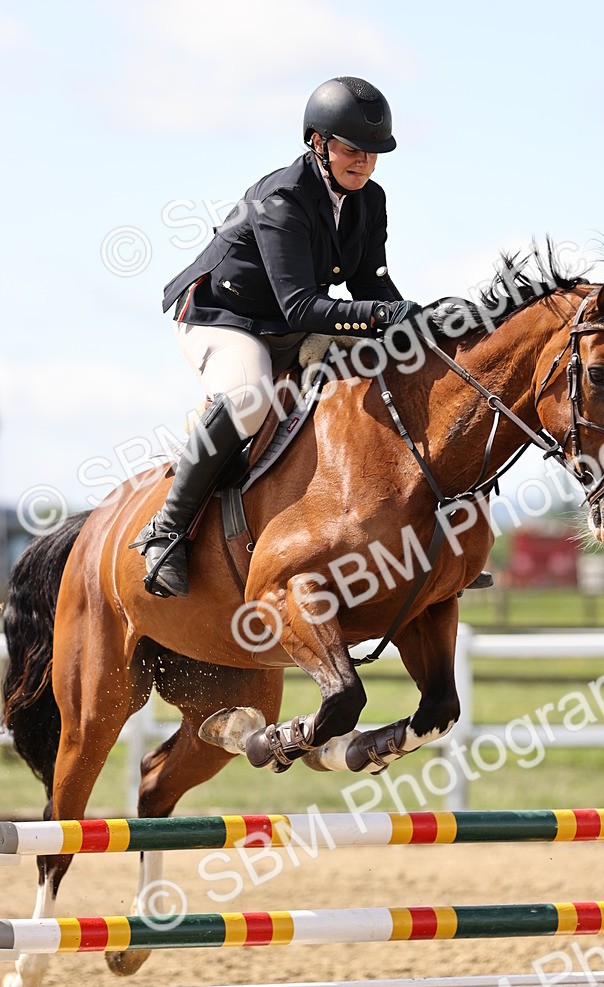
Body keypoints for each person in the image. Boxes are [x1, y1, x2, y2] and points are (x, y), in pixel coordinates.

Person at [134, 75, 419, 598]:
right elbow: (302, 304)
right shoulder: (283, 198)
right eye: (353, 149)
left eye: (374, 152)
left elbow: (368, 285)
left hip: (292, 325)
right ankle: (166, 530)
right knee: (248, 398)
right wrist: (385, 315)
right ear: (318, 142)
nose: (365, 161)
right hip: (225, 319)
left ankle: (418, 535)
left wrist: (415, 326)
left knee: (402, 365)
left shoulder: (369, 200)